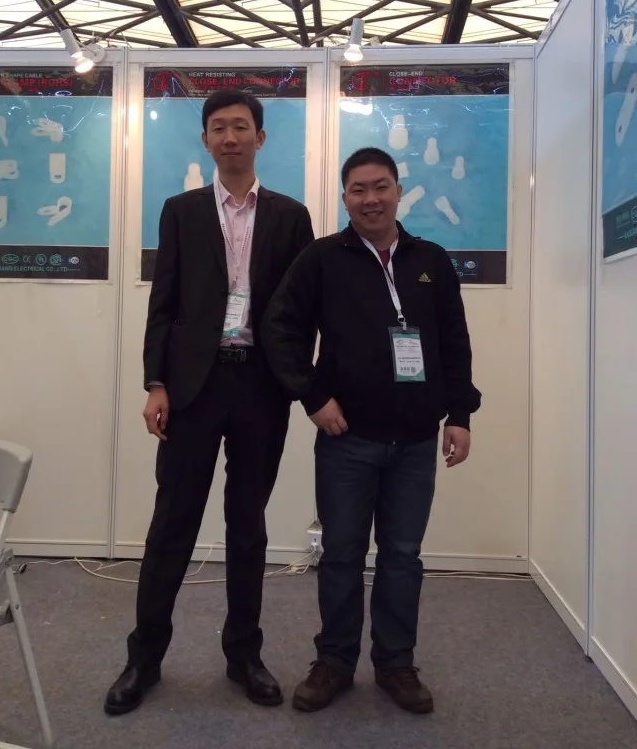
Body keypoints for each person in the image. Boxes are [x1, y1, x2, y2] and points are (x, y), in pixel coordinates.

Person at [104, 90, 314, 715]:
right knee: (172, 524)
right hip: (192, 388)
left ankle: (244, 656)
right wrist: (155, 383)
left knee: (248, 526)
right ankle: (144, 659)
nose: (230, 137)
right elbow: (163, 303)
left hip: (259, 388)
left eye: (241, 126)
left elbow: (300, 313)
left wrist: (296, 382)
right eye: (219, 127)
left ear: (260, 138)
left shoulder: (291, 216)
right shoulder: (181, 211)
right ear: (205, 140)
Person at [260, 146, 481, 715]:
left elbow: (454, 341)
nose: (371, 198)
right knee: (340, 554)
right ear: (345, 198)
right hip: (347, 440)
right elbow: (279, 328)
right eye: (358, 189)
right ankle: (334, 662)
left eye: (380, 186)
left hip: (415, 441)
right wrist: (312, 395)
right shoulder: (321, 260)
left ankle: (396, 664)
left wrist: (460, 414)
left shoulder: (431, 260)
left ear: (398, 191)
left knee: (403, 556)